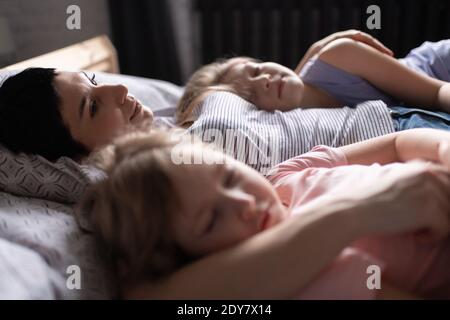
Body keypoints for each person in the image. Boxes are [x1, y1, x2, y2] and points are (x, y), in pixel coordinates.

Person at [83, 127, 450, 299]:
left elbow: (399, 142)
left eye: (229, 175)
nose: (243, 203)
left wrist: (444, 146)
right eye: (211, 220)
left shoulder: (285, 175)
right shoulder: (310, 276)